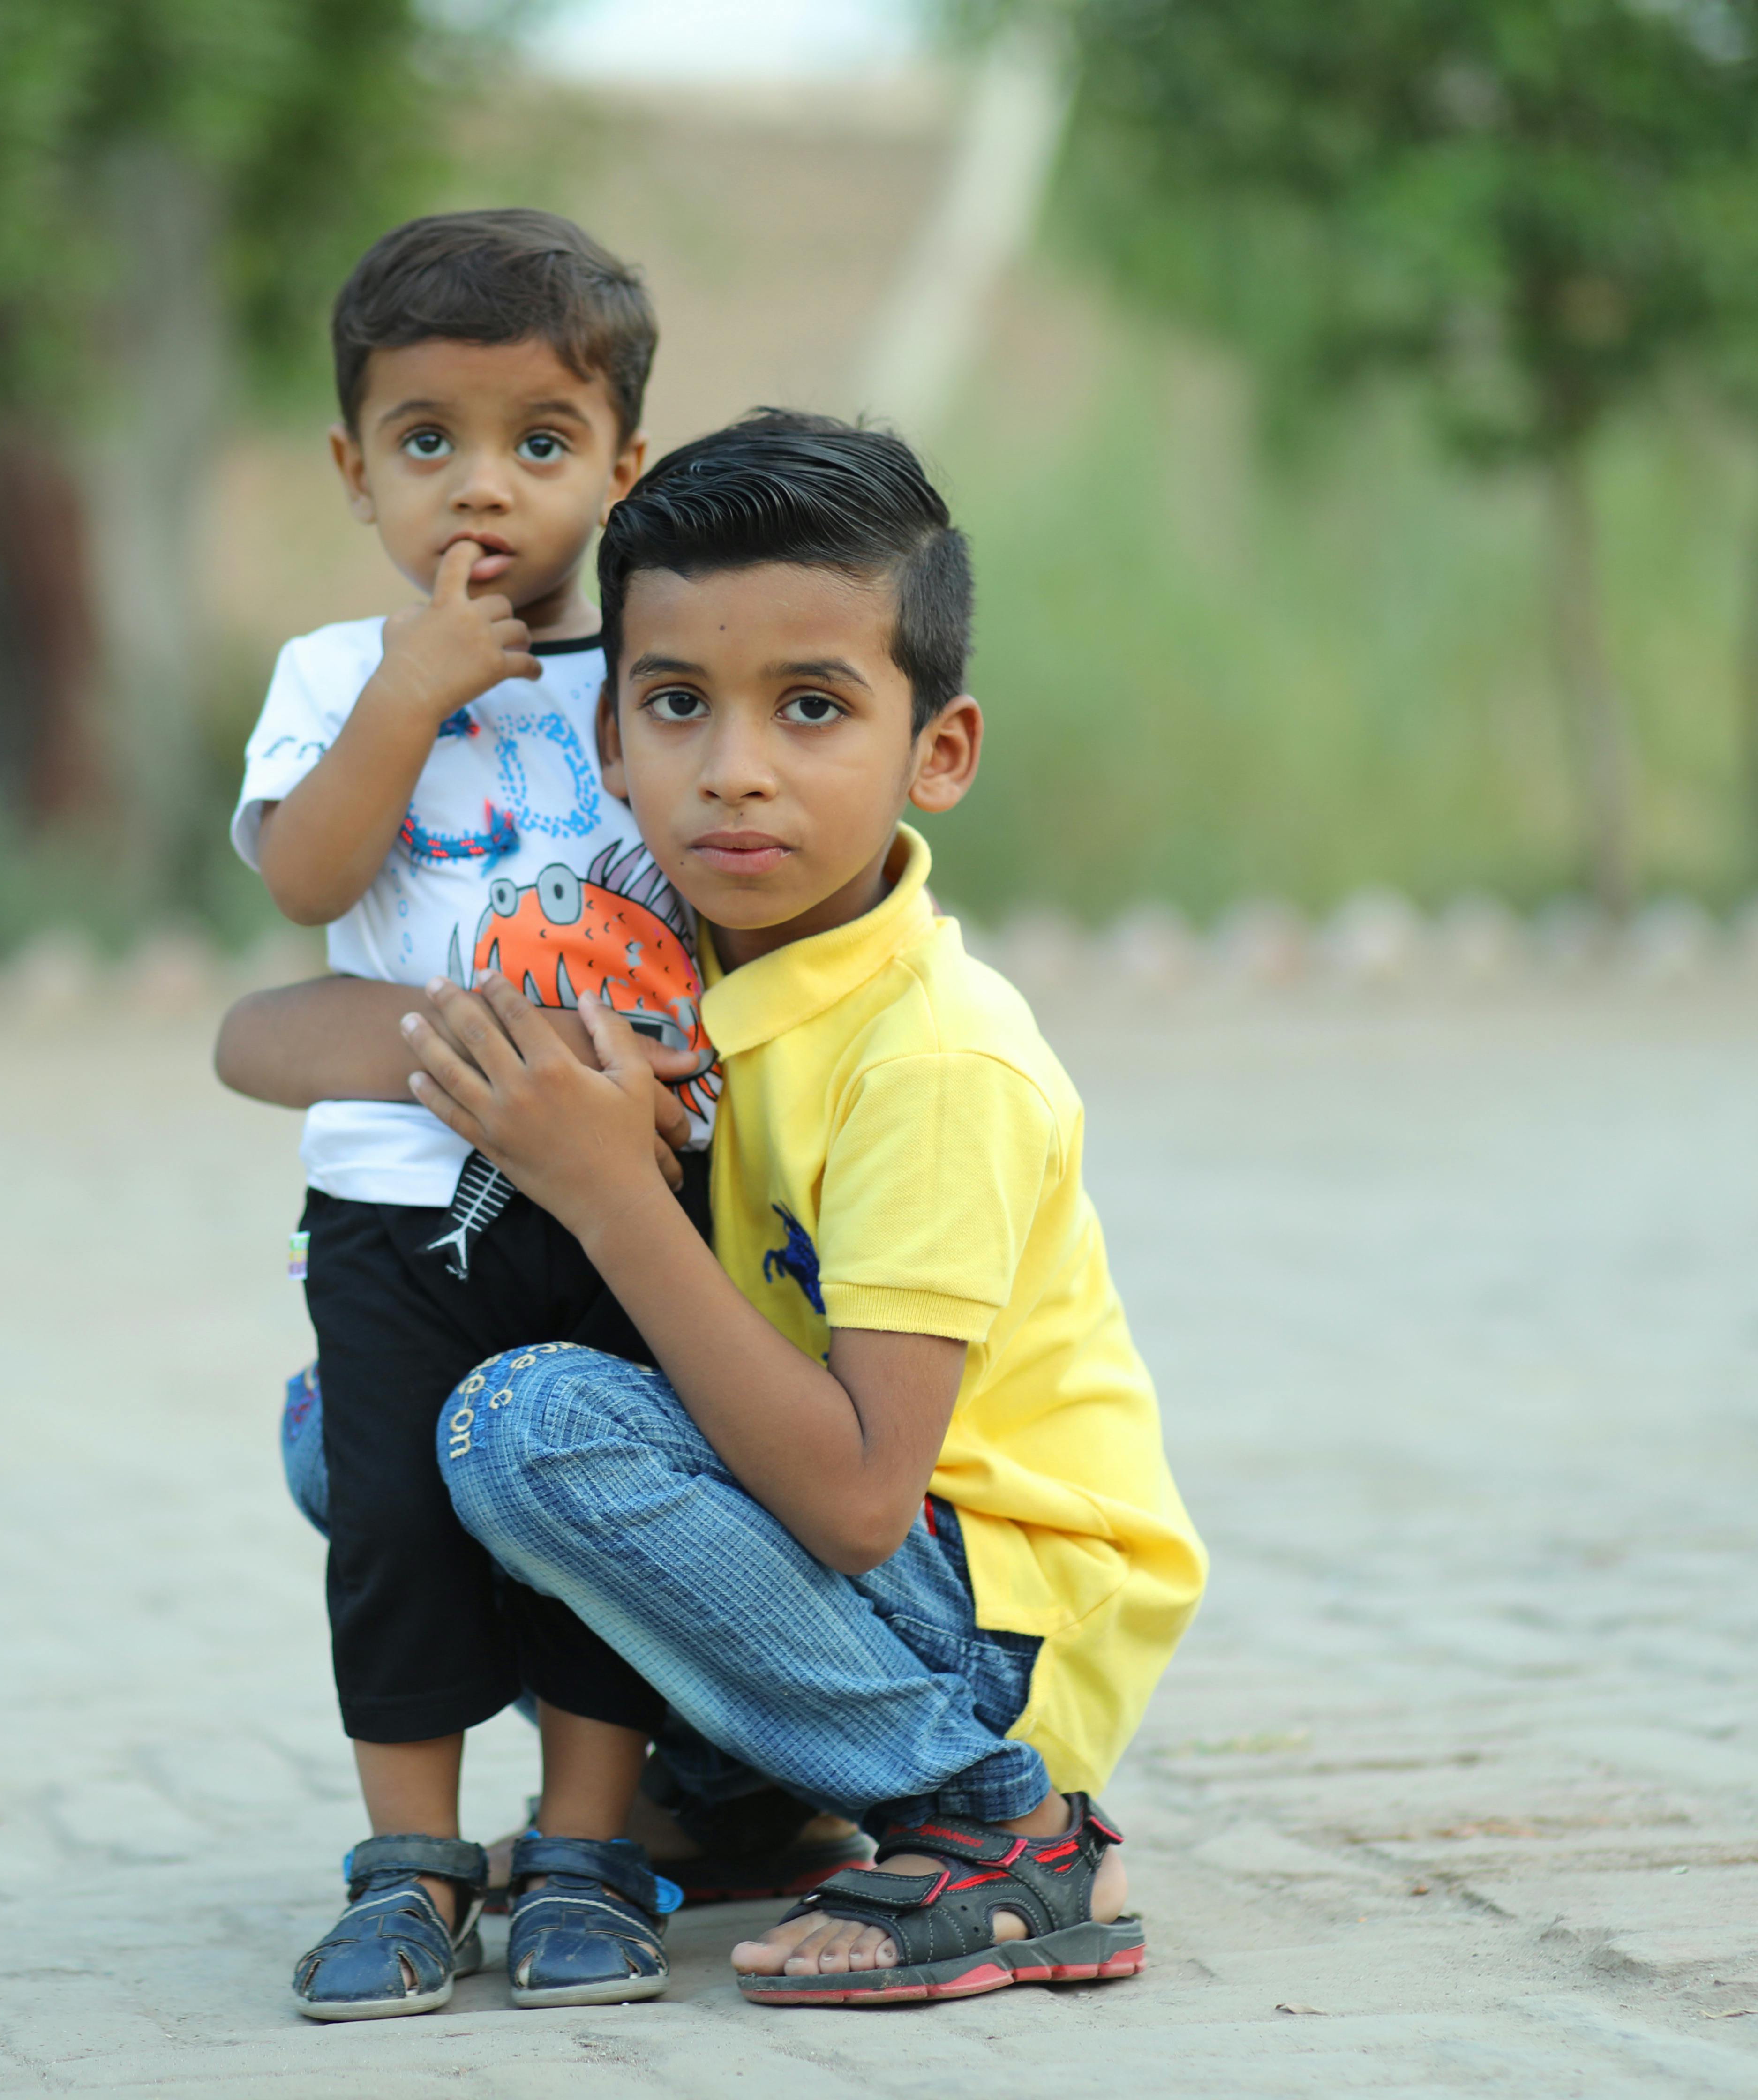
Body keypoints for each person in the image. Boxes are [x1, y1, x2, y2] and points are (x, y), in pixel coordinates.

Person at [388, 411, 1208, 2005]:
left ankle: (999, 1825)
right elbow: (258, 1035)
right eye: (678, 706)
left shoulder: (936, 1059)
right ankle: (763, 1801)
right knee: (342, 1418)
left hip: (990, 1619)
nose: (735, 771)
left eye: (813, 708)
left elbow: (854, 1502)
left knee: (525, 1426)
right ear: (610, 742)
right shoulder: (657, 958)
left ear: (939, 752)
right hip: (862, 1545)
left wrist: (610, 1187)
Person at [220, 208, 738, 2021]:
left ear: (621, 466)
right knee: (400, 1526)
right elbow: (306, 880)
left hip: (620, 1195)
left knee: (598, 1505)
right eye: (428, 440)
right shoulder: (324, 678)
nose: (481, 489)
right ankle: (414, 1865)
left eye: (540, 442)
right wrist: (406, 694)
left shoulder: (650, 683)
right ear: (356, 467)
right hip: (393, 1202)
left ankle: (592, 1850)